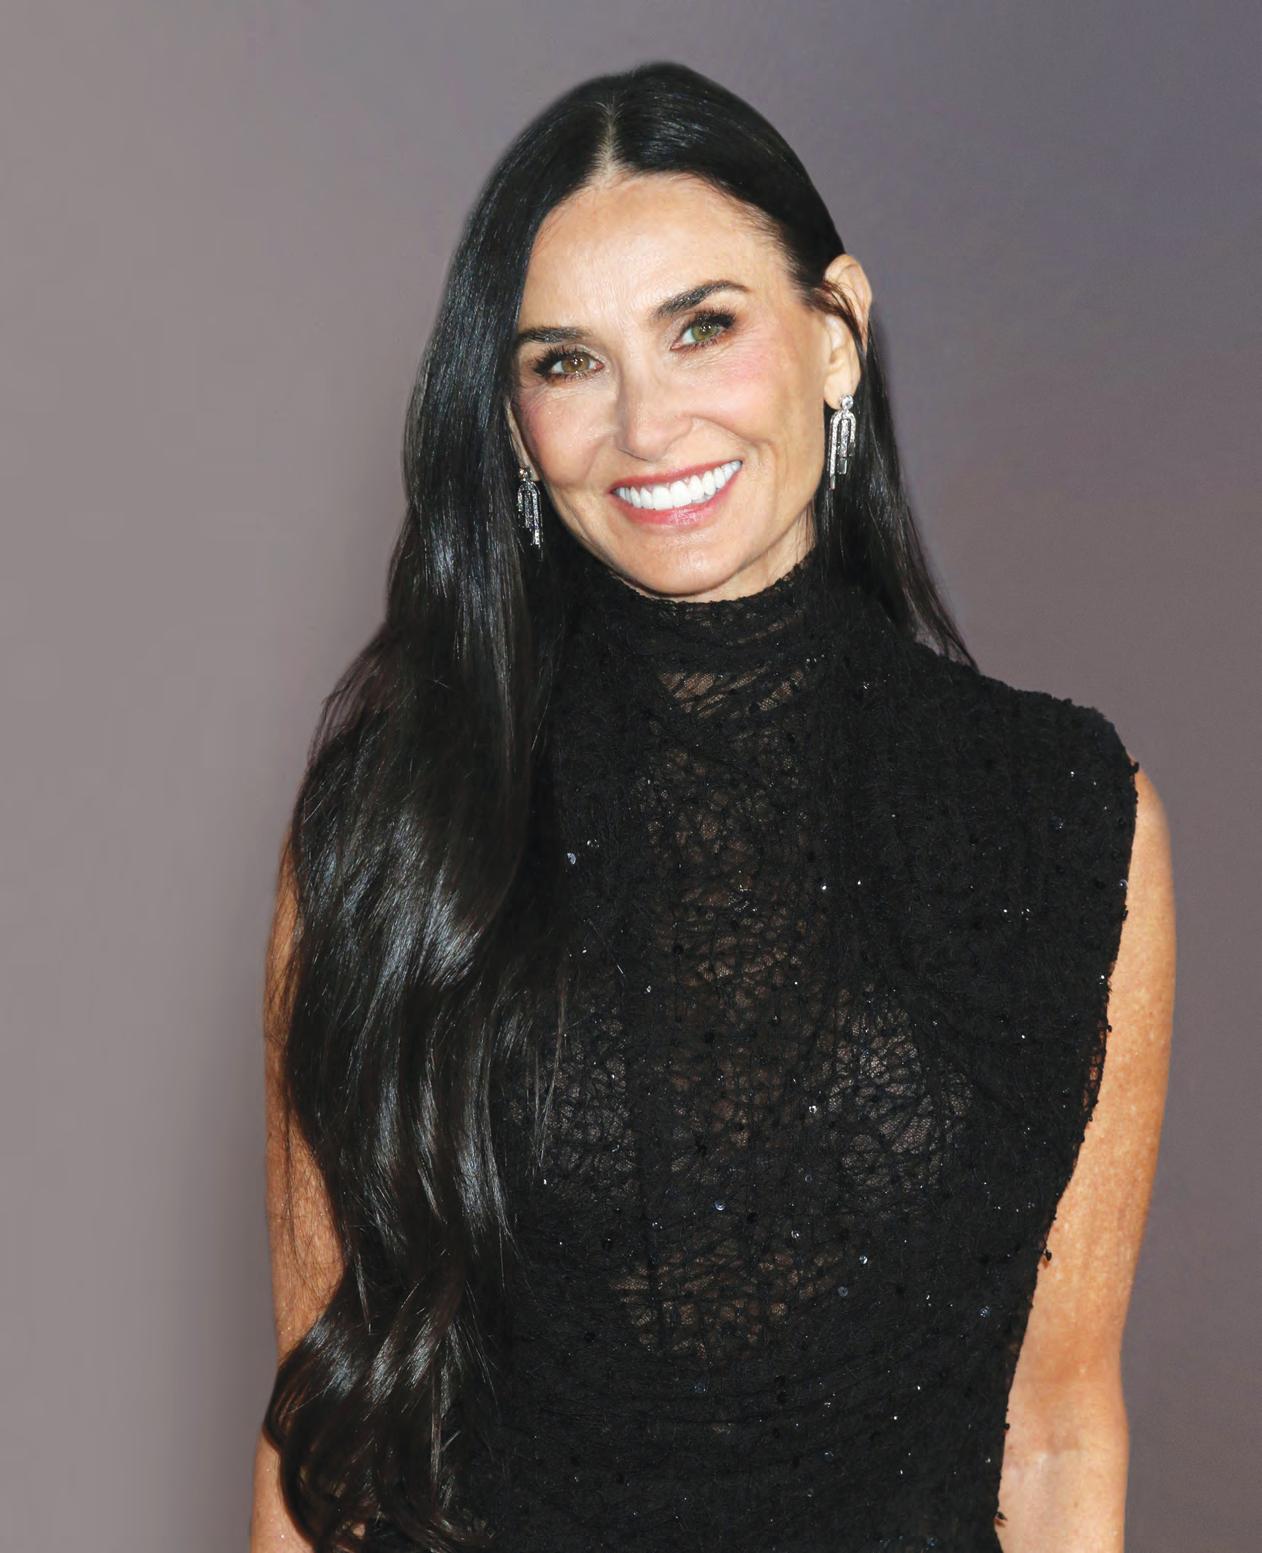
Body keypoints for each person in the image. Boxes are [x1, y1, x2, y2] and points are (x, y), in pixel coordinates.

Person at [250, 60, 1174, 1553]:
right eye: (568, 363)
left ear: (836, 333)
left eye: (702, 327)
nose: (645, 425)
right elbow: (328, 1438)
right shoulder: (393, 826)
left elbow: (1060, 1427)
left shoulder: (1064, 816)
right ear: (513, 424)